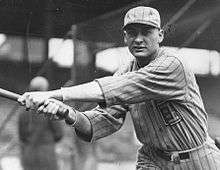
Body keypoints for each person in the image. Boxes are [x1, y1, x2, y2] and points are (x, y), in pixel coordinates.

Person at [18, 6, 220, 169]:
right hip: (153, 160)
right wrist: (67, 113)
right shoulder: (126, 70)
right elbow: (103, 120)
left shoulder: (173, 64)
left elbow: (119, 86)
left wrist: (55, 94)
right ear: (125, 38)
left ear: (160, 35)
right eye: (132, 33)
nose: (138, 39)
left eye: (146, 32)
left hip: (196, 159)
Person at [18, 76, 63, 170]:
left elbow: (22, 136)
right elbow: (59, 134)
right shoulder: (49, 109)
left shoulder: (23, 112)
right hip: (47, 155)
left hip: (29, 154)